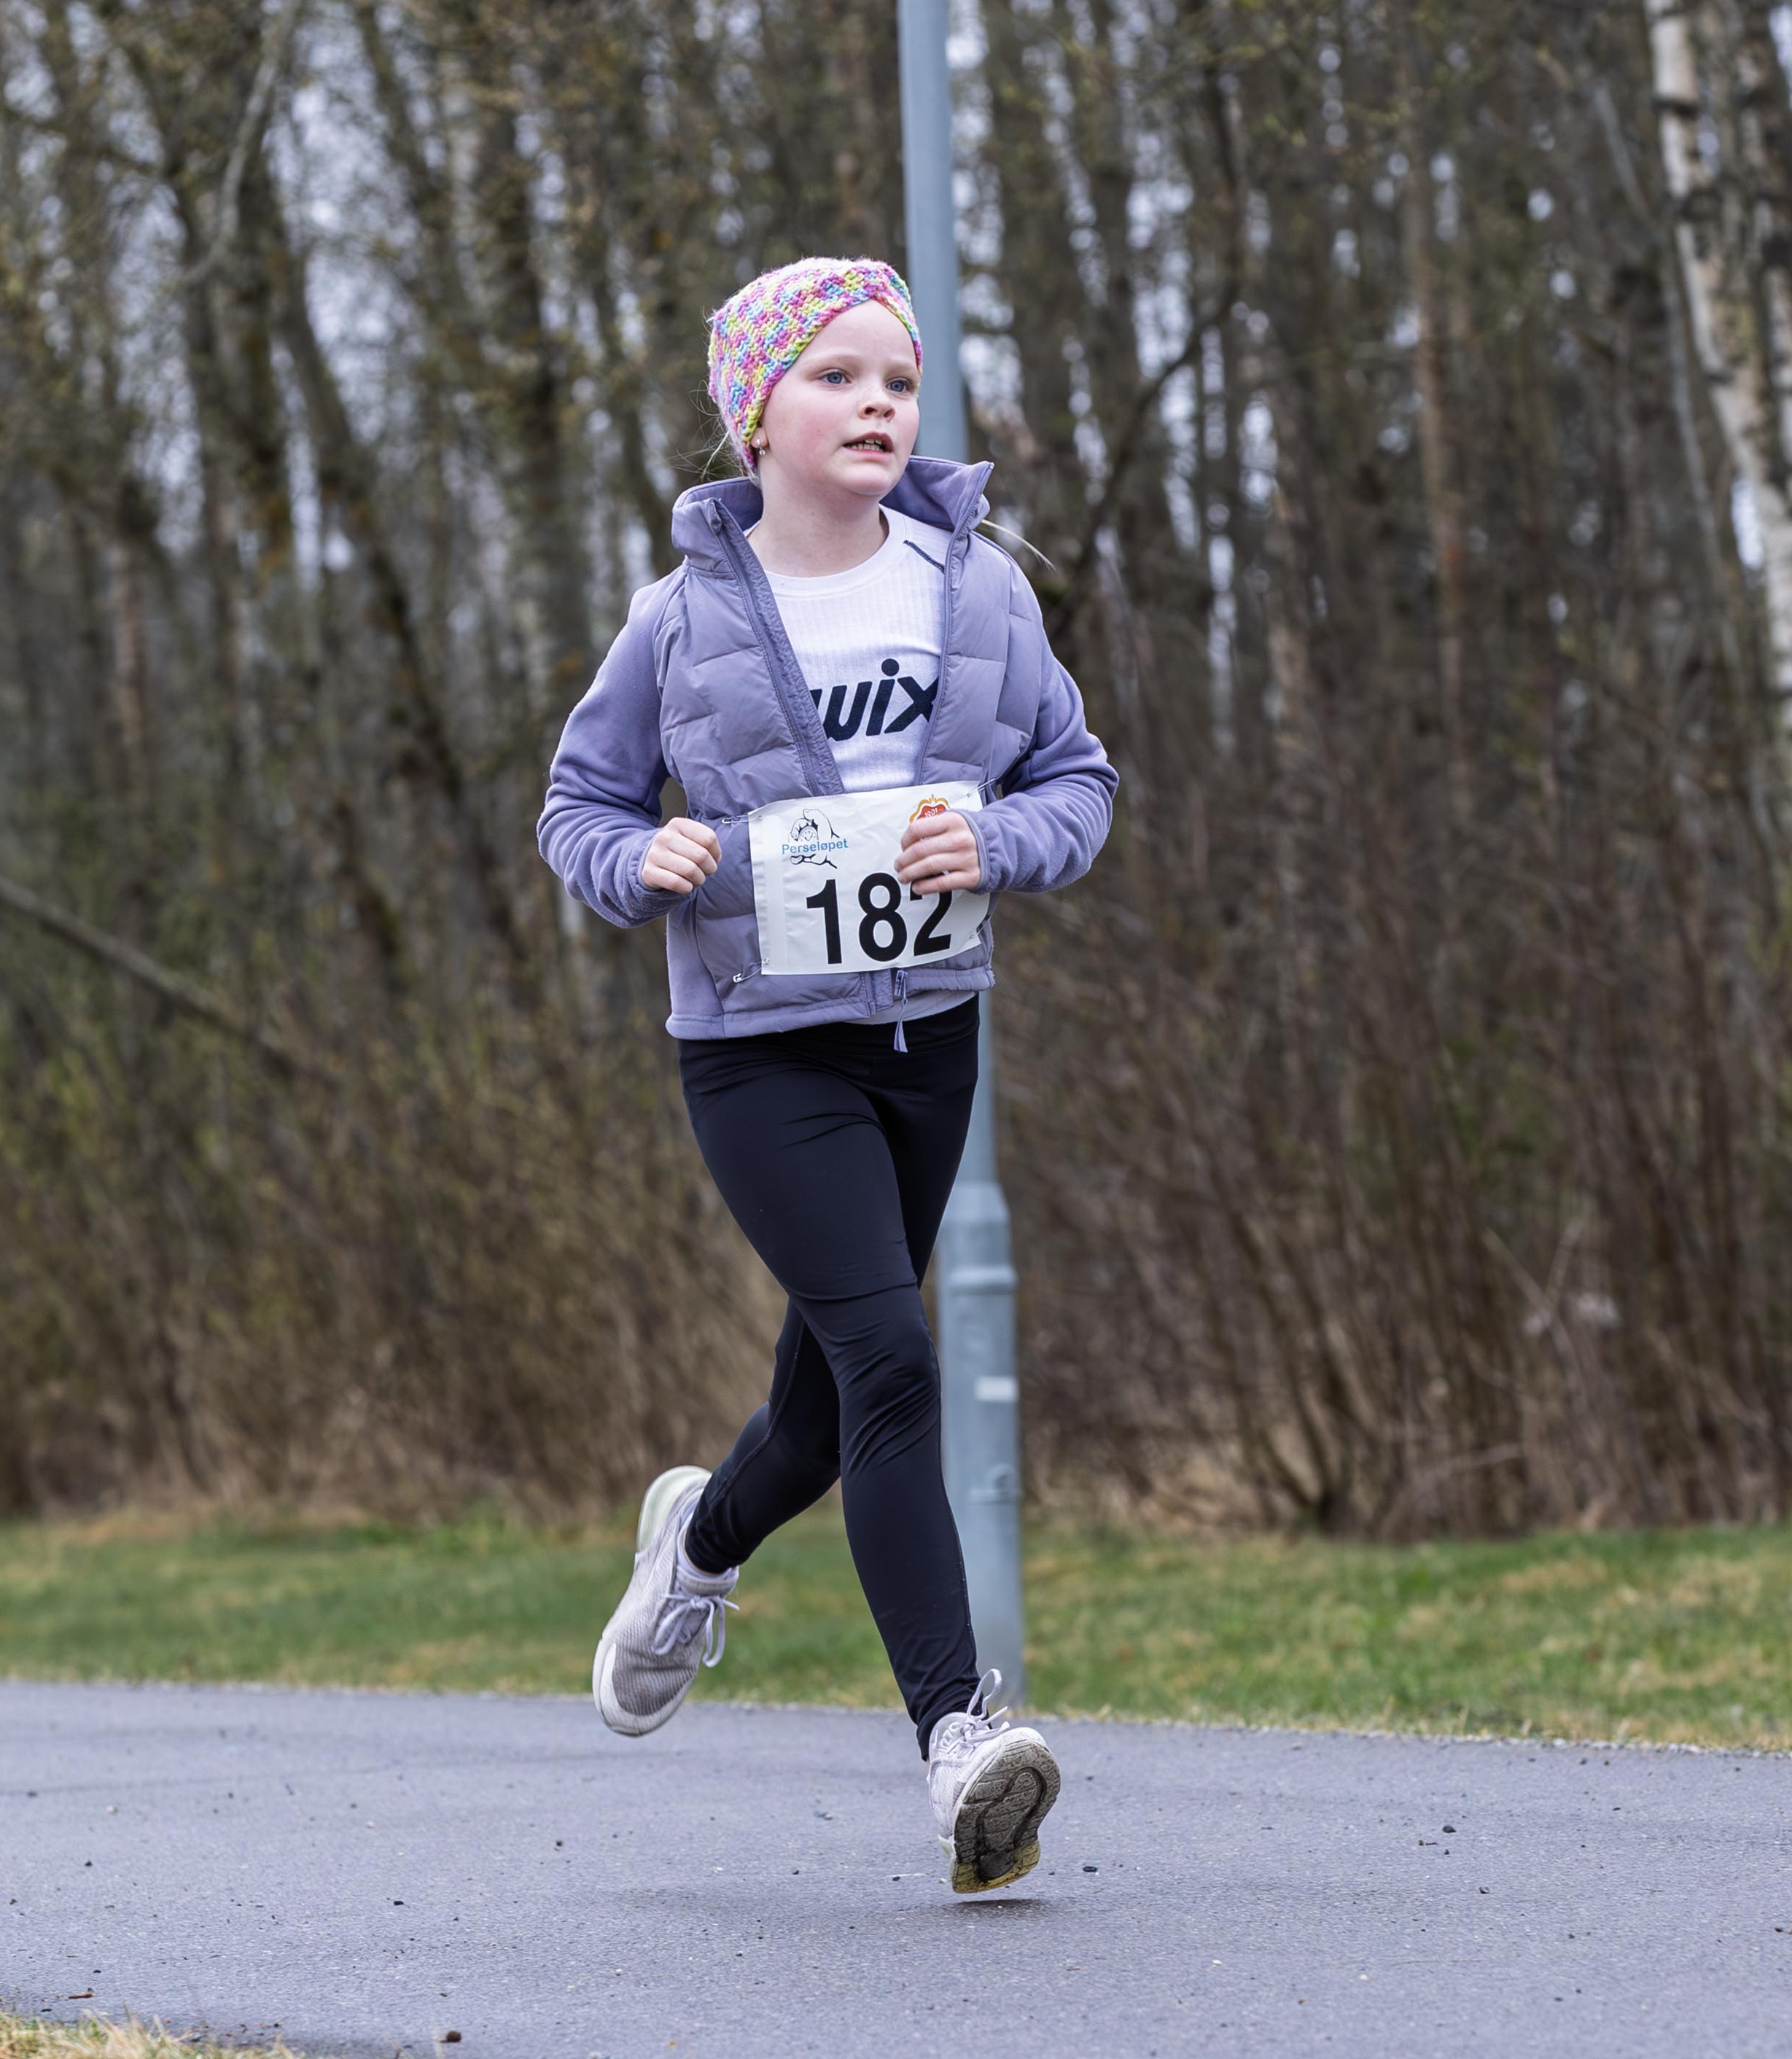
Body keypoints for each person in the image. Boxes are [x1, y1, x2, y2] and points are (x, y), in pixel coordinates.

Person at [535, 255, 1117, 1894]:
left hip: (929, 1038)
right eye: (838, 377)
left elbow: (1077, 780)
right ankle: (960, 1740)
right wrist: (636, 859)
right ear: (755, 415)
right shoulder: (678, 618)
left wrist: (996, 839)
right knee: (892, 1360)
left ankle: (699, 1542)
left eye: (899, 381)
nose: (878, 405)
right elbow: (578, 805)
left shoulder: (978, 589)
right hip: (759, 1050)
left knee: (822, 1408)